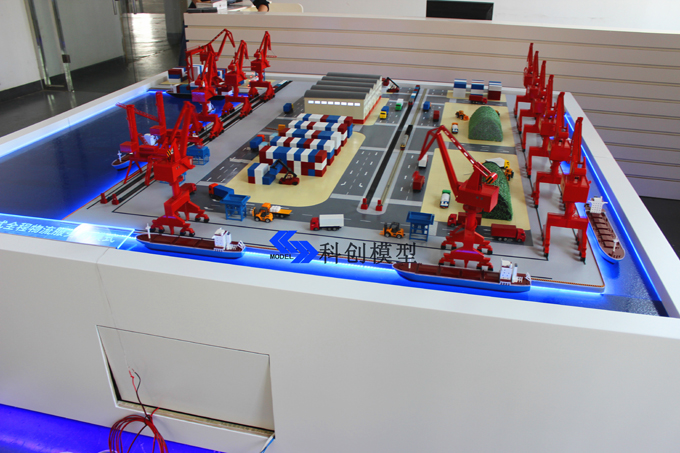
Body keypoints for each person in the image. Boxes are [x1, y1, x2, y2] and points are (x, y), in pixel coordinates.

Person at [190, 0, 270, 11]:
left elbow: (262, 3)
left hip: (223, 20)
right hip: (197, 17)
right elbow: (197, 2)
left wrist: (259, 19)